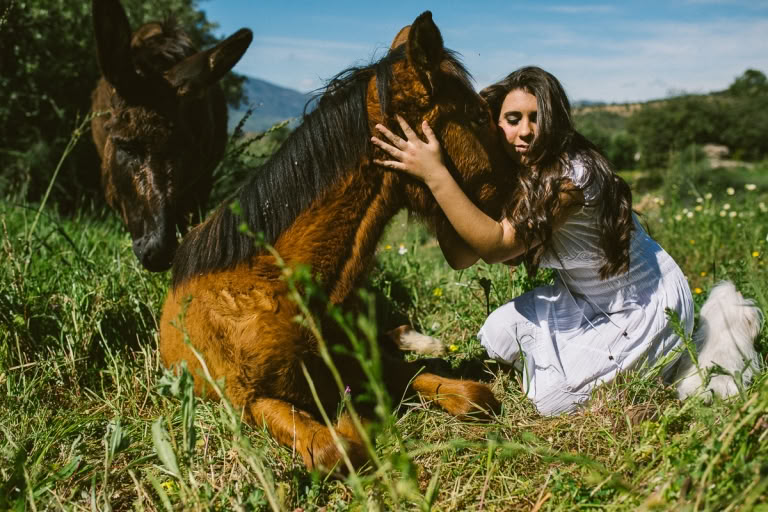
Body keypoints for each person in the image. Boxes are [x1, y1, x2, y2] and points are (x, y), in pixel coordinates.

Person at [371, 66, 694, 416]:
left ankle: (656, 369)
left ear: (555, 122)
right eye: (512, 119)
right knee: (496, 335)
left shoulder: (572, 178)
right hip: (584, 298)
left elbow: (496, 247)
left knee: (551, 402)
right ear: (497, 124)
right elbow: (461, 257)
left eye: (536, 118)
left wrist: (436, 175)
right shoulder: (522, 173)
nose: (525, 132)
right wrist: (438, 177)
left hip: (646, 306)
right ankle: (583, 358)